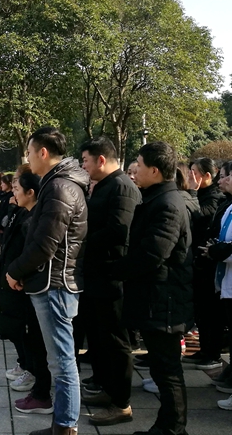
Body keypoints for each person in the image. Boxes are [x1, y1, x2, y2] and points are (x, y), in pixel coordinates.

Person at [6, 127, 89, 435]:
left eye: (29, 152)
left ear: (43, 152)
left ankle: (65, 426)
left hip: (54, 286)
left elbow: (45, 245)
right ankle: (63, 424)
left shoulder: (59, 188)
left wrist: (15, 271)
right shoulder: (57, 184)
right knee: (60, 361)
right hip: (51, 283)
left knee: (62, 363)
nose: (27, 158)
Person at [114, 141, 193, 435]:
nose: (135, 170)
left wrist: (116, 270)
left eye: (139, 165)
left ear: (155, 171)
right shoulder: (157, 199)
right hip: (156, 299)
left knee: (167, 370)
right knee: (162, 369)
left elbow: (152, 254)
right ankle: (168, 425)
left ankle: (173, 429)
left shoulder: (168, 204)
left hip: (164, 301)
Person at [78, 137, 141, 426]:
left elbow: (119, 231)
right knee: (100, 339)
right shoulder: (105, 185)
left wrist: (82, 240)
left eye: (86, 161)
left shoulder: (122, 187)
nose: (84, 166)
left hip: (112, 277)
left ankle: (121, 403)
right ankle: (106, 388)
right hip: (96, 276)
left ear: (101, 160)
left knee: (116, 342)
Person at [0, 166, 53, 415]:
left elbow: (33, 254)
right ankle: (35, 383)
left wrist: (16, 273)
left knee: (35, 341)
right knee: (27, 337)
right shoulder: (24, 213)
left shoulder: (34, 219)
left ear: (31, 192)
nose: (13, 193)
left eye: (17, 189)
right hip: (19, 284)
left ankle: (41, 392)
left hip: (30, 288)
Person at [184, 158, 226, 370]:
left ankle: (213, 352)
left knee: (211, 311)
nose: (190, 176)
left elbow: (199, 215)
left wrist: (191, 193)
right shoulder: (199, 195)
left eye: (194, 172)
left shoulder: (215, 197)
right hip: (197, 261)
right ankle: (204, 348)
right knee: (201, 310)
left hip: (210, 264)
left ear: (207, 176)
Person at [202, 161, 232, 409]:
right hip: (226, 281)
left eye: (225, 176)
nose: (221, 181)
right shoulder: (228, 206)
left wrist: (217, 250)